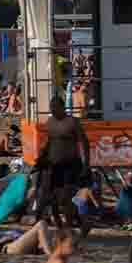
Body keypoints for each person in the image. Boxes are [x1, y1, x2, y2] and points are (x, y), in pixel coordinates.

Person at [38, 96, 90, 233]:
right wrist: (42, 158)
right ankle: (62, 226)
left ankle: (69, 225)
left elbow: (84, 143)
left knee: (67, 197)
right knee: (53, 197)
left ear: (62, 107)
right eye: (51, 108)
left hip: (71, 165)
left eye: (55, 108)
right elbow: (49, 142)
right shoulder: (50, 122)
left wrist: (86, 165)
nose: (53, 111)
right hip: (54, 167)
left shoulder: (72, 122)